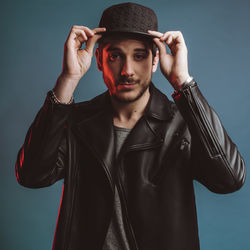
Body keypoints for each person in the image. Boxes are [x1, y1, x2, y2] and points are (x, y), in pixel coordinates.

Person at [15, 2, 246, 250]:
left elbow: (229, 180)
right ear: (99, 60)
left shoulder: (183, 122)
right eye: (115, 56)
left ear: (156, 60)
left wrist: (184, 85)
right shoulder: (77, 122)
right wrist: (68, 80)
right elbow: (32, 175)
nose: (127, 71)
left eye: (139, 56)